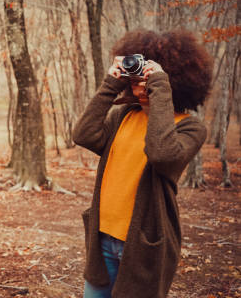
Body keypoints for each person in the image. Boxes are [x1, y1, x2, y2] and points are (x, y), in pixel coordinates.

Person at [72, 29, 213, 298]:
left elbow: (162, 154)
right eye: (135, 80)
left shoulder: (190, 128)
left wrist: (159, 85)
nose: (140, 87)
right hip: (102, 239)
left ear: (172, 83)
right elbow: (83, 135)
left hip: (144, 247)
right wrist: (111, 84)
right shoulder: (123, 115)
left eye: (146, 80)